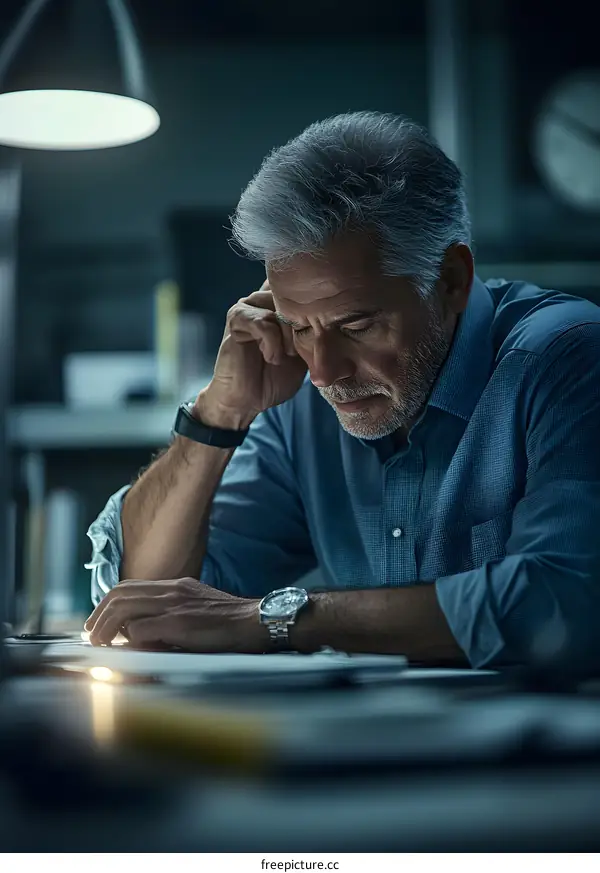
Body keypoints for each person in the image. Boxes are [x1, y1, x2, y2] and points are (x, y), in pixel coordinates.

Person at [84, 111, 600, 669]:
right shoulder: (296, 398)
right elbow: (149, 601)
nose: (324, 372)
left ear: (451, 280)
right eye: (299, 327)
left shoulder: (567, 357)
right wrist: (218, 414)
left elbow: (564, 601)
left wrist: (276, 620)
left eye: (356, 326)